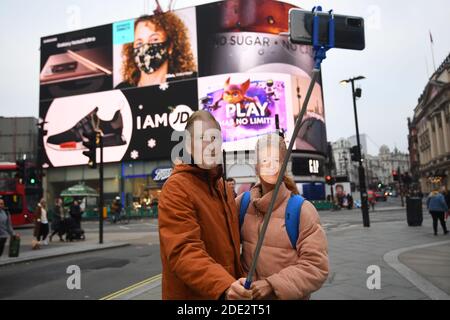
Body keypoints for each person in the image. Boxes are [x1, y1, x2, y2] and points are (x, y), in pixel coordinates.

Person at [158, 110, 252, 300]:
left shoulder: (224, 188)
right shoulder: (176, 188)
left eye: (215, 139)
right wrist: (225, 285)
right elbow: (184, 251)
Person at [237, 133, 329, 300]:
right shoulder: (242, 204)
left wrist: (272, 285)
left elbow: (316, 266)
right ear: (256, 167)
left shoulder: (302, 210)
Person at [116, 13, 197, 89]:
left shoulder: (190, 84)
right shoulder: (121, 90)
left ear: (170, 47)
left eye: (154, 39)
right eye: (139, 43)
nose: (145, 47)